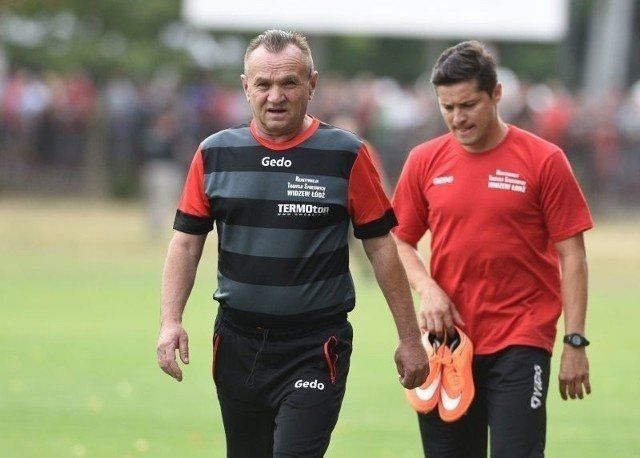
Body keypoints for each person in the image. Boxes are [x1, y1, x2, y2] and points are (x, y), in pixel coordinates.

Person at [156, 29, 428, 457]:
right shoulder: (214, 154)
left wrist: (409, 338)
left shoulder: (346, 155)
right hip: (237, 344)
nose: (275, 96)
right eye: (263, 84)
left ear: (312, 84)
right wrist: (170, 321)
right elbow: (186, 244)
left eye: (289, 83)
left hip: (314, 346)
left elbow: (380, 246)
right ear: (246, 87)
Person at [392, 41, 593, 457]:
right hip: (449, 343)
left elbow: (572, 254)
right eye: (447, 107)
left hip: (521, 339)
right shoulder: (424, 160)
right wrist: (427, 289)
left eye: (468, 105)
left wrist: (574, 341)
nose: (457, 118)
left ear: (496, 94)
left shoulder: (544, 160)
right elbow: (399, 240)